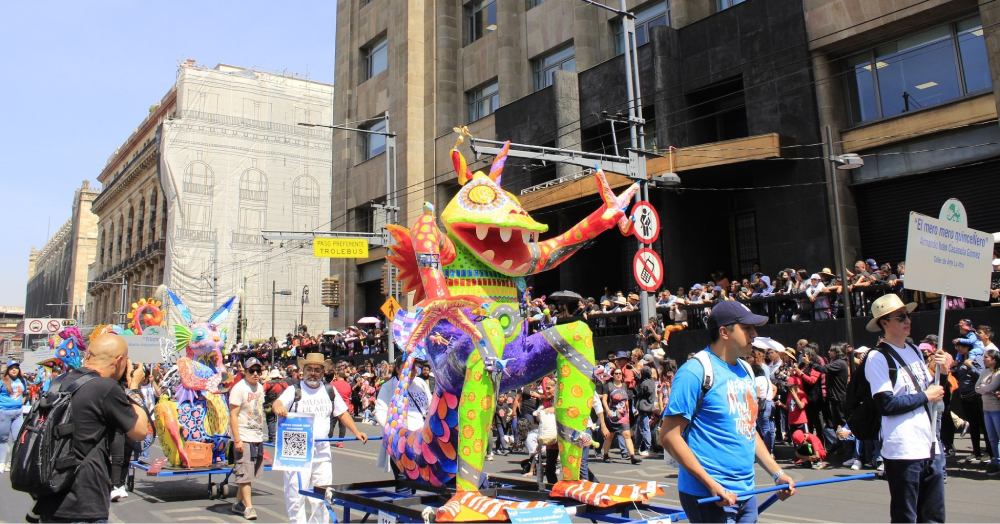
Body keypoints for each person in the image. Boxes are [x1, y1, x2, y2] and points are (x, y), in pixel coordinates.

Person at [660, 301, 795, 523]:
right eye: (747, 329)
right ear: (724, 332)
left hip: (745, 491)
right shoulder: (695, 372)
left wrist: (778, 474)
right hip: (708, 494)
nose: (754, 335)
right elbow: (668, 436)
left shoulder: (746, 370)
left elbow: (748, 431)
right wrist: (711, 484)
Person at [29, 335, 149, 523]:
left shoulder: (60, 381)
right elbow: (140, 431)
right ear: (119, 361)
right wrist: (134, 387)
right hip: (84, 500)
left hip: (51, 493)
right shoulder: (105, 387)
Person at [864, 294, 946, 523]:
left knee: (934, 516)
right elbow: (886, 404)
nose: (907, 320)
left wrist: (943, 374)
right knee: (905, 517)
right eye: (900, 317)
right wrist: (925, 396)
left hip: (929, 443)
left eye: (907, 315)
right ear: (884, 323)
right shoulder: (877, 357)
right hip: (903, 448)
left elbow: (932, 394)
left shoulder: (915, 350)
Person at [272, 353, 368, 523]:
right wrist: (279, 408)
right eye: (310, 369)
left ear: (323, 372)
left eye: (317, 370)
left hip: (322, 450)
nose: (313, 373)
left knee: (323, 495)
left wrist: (356, 431)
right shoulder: (294, 390)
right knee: (295, 494)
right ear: (303, 371)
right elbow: (277, 403)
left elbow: (342, 413)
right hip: (297, 448)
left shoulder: (329, 390)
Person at [374, 357, 431, 475]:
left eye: (415, 368)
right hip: (400, 443)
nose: (413, 371)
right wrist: (394, 432)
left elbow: (429, 406)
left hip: (422, 440)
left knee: (422, 480)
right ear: (398, 369)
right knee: (404, 482)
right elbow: (380, 411)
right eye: (409, 368)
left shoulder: (420, 383)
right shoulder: (389, 386)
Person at [229, 357, 268, 521]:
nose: (256, 374)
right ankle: (249, 508)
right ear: (245, 372)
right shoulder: (239, 388)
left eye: (258, 370)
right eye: (252, 370)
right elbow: (233, 415)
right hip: (244, 436)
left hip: (257, 435)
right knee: (245, 475)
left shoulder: (259, 387)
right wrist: (237, 439)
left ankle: (238, 503)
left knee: (249, 474)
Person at [974, 348, 1000, 475]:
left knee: (999, 438)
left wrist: (984, 388)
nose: (983, 359)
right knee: (992, 438)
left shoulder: (998, 373)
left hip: (997, 409)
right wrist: (985, 389)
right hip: (986, 408)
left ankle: (998, 462)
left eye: (986, 357)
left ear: (994, 360)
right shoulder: (984, 372)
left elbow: (991, 386)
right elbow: (977, 388)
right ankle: (995, 460)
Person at [1, 360, 27, 473]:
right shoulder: (2, 381)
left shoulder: (22, 380)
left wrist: (22, 402)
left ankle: (12, 463)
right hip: (4, 413)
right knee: (3, 439)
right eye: (11, 367)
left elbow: (25, 394)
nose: (14, 369)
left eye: (16, 367)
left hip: (18, 414)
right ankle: (1, 462)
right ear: (7, 370)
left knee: (18, 439)